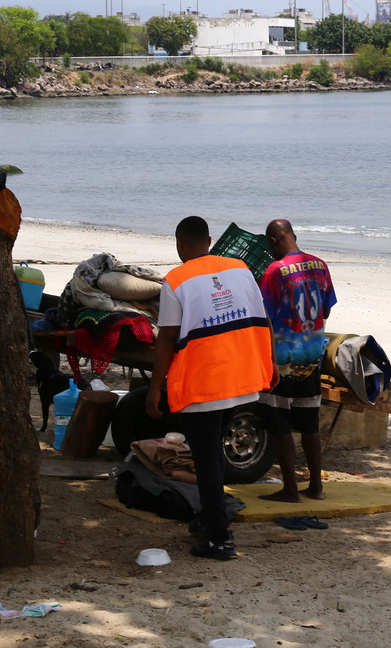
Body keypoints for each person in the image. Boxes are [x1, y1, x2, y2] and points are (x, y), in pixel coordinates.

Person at [146, 216, 278, 560]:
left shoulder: (175, 280)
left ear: (180, 245)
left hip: (203, 382)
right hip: (242, 375)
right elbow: (263, 319)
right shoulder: (241, 269)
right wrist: (272, 363)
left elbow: (167, 339)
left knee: (205, 457)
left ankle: (219, 539)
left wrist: (155, 387)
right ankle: (210, 517)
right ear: (209, 240)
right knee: (213, 450)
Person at [256, 219, 337, 502]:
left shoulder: (275, 270)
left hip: (283, 357)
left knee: (279, 422)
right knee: (309, 423)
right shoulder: (320, 265)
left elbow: (265, 317)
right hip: (313, 354)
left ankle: (290, 489)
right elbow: (325, 312)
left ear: (273, 241)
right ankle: (316, 486)